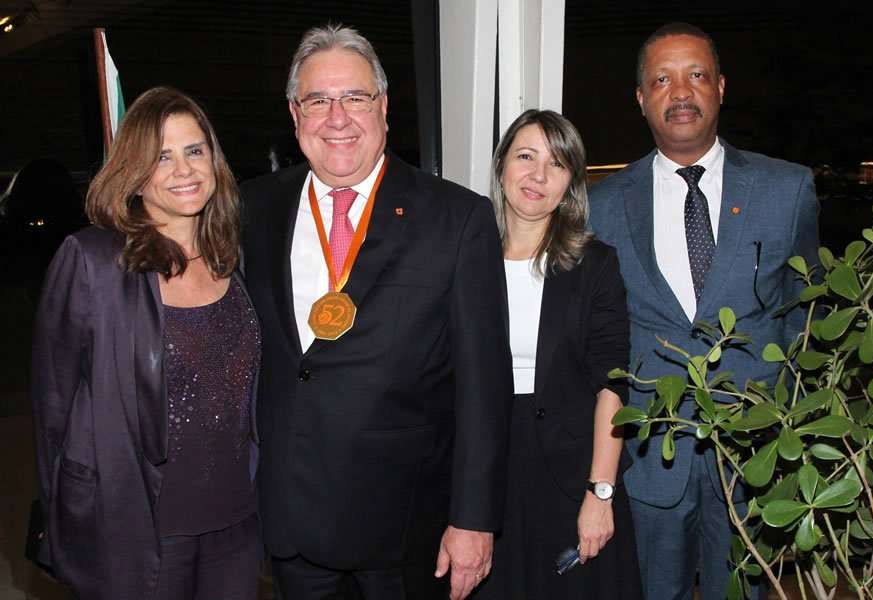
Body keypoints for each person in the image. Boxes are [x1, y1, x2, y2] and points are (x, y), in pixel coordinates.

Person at [240, 24, 512, 600]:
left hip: (407, 530)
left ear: (384, 107)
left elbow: (484, 386)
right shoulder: (252, 209)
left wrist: (474, 519)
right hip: (291, 523)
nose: (337, 118)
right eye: (318, 100)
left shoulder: (457, 220)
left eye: (355, 97)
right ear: (295, 114)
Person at [589, 22, 819, 600]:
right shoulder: (603, 205)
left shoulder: (785, 190)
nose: (681, 92)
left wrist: (785, 430)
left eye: (696, 75)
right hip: (649, 459)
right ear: (642, 100)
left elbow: (806, 316)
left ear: (720, 86)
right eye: (662, 79)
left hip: (752, 453)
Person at [31, 86, 262, 599]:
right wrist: (62, 514)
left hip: (236, 524)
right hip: (138, 528)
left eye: (194, 150)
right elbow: (53, 408)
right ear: (135, 171)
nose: (184, 170)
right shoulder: (93, 262)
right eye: (162, 156)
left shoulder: (233, 256)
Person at [473, 109, 642, 599]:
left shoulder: (595, 264)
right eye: (525, 156)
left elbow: (613, 382)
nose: (538, 175)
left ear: (571, 182)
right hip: (485, 470)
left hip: (573, 472)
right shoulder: (463, 256)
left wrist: (600, 492)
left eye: (557, 163)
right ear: (502, 163)